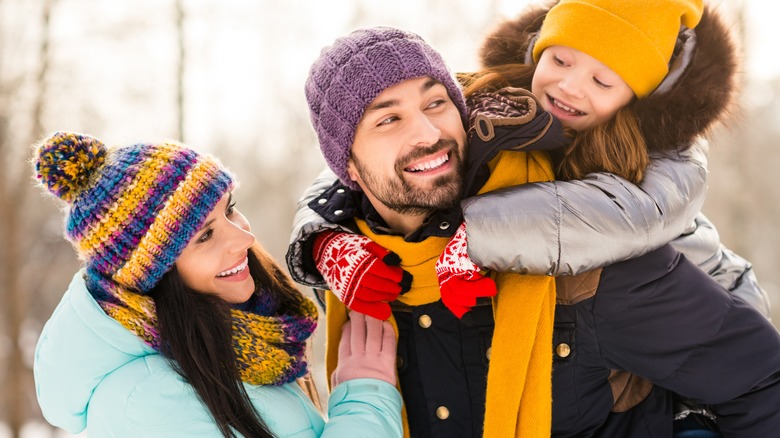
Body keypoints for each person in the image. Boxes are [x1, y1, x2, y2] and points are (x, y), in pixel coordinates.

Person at [290, 9, 780, 437]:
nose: (428, 133)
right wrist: (320, 241)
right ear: (347, 166)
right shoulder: (354, 279)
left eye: (435, 102)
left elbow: (762, 378)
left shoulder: (589, 251)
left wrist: (477, 239)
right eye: (387, 119)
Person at [31, 131, 403, 438]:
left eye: (229, 209)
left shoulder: (228, 346)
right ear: (153, 278)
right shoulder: (150, 407)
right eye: (205, 236)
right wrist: (365, 402)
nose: (243, 239)